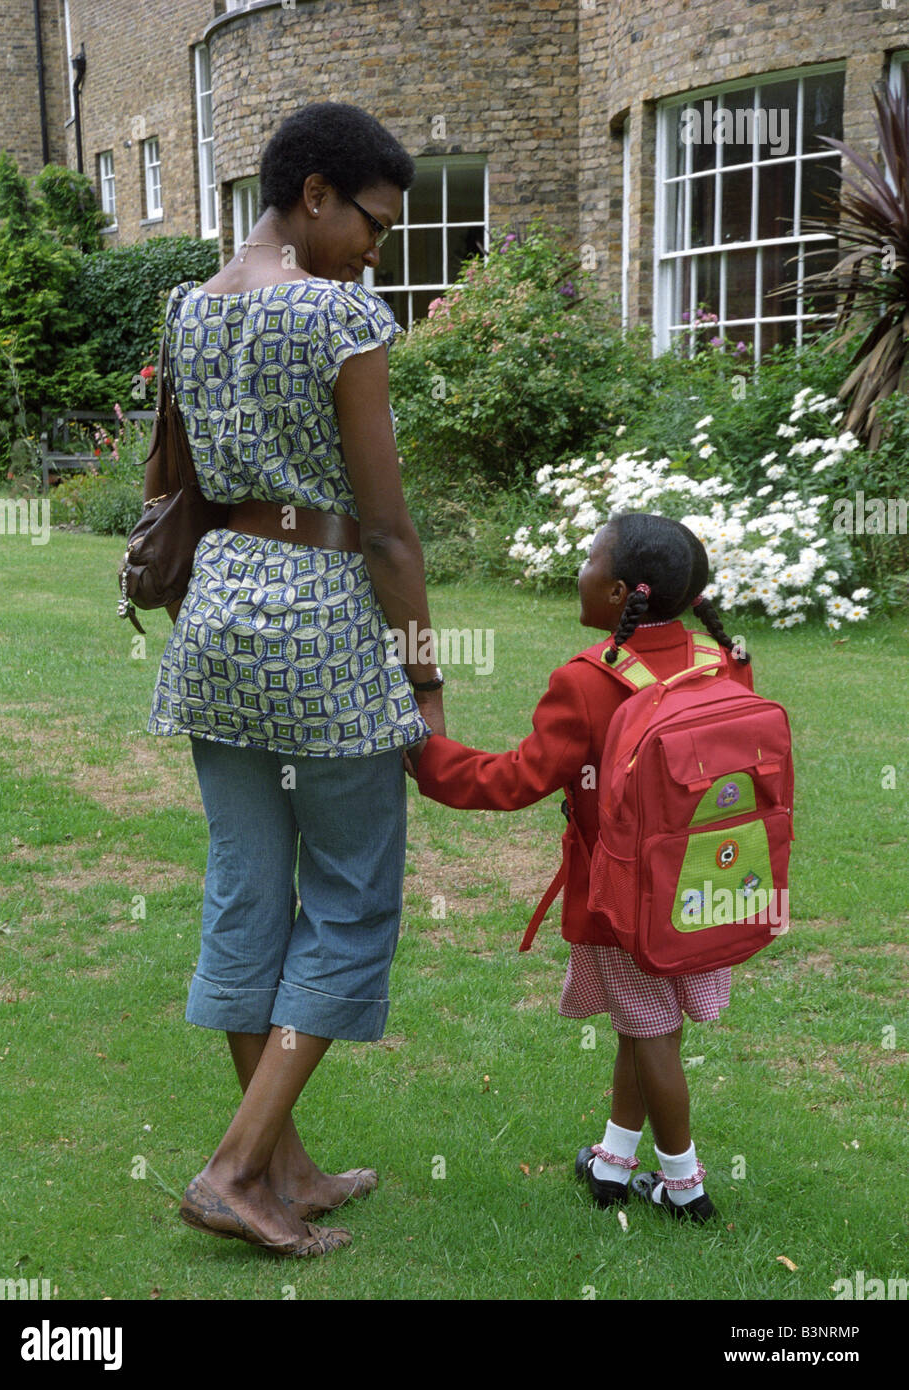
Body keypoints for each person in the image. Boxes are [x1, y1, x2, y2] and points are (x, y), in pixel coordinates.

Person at [146, 103, 445, 1258]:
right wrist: (423, 679)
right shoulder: (337, 313)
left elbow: (185, 483)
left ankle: (285, 1166)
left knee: (245, 890)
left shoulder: (188, 307)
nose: (375, 250)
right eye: (372, 222)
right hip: (318, 621)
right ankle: (232, 1170)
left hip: (217, 620)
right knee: (353, 895)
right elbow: (387, 530)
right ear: (313, 193)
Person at [405, 512, 754, 1224]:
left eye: (590, 559)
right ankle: (614, 1161)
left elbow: (515, 779)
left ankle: (684, 1185)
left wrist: (425, 757)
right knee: (644, 1024)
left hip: (626, 897)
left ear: (622, 591)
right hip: (709, 880)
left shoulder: (589, 682)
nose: (580, 571)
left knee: (651, 1031)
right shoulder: (724, 658)